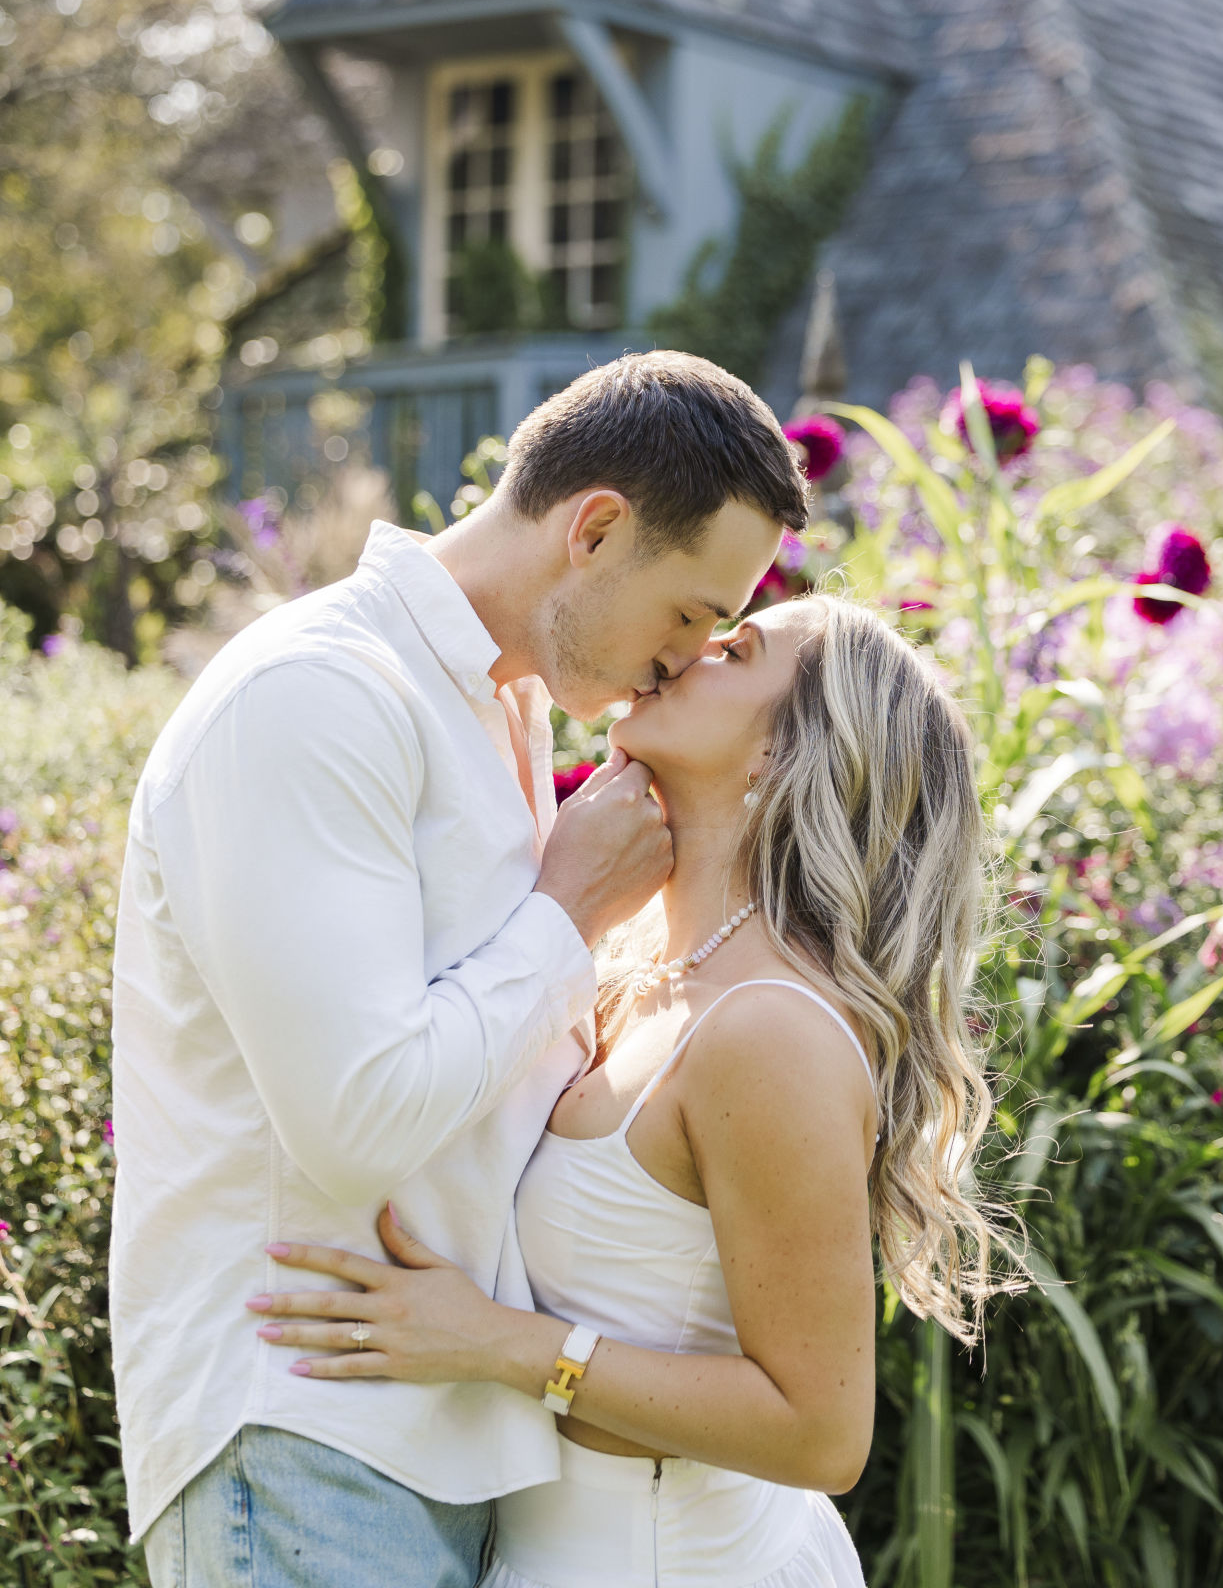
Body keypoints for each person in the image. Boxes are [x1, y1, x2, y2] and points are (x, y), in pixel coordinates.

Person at [110, 351, 809, 1588]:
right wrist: (568, 909)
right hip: (304, 1429)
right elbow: (357, 1121)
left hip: (445, 1436)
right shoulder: (320, 696)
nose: (685, 658)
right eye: (691, 614)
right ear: (594, 528)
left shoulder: (506, 712)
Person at [243, 592, 996, 1588]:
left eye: (735, 648)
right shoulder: (645, 971)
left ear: (781, 751)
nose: (683, 652)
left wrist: (501, 1343)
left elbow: (820, 1432)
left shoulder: (768, 1028)